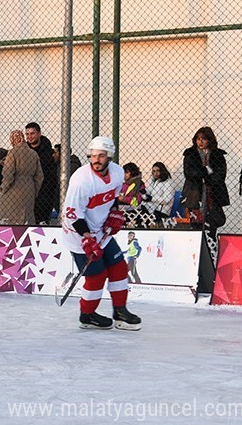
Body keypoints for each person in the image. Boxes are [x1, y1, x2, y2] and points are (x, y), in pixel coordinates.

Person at [61, 135, 141, 331]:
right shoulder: (81, 181)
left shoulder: (117, 173)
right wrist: (87, 238)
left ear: (110, 157)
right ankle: (87, 315)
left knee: (119, 268)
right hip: (77, 233)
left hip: (101, 231)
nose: (96, 160)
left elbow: (112, 198)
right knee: (96, 275)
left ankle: (120, 311)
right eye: (92, 155)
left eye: (101, 156)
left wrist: (115, 213)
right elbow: (72, 215)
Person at [182, 127, 229, 237]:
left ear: (210, 140)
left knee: (213, 223)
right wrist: (205, 171)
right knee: (196, 224)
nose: (200, 142)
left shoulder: (218, 155)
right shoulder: (190, 154)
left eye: (204, 139)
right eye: (198, 139)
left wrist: (207, 179)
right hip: (194, 192)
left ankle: (211, 247)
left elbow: (220, 174)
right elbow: (189, 173)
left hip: (212, 192)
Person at [0, 129, 43, 225]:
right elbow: (39, 176)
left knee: (10, 219)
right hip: (29, 189)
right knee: (26, 218)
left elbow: (8, 173)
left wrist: (3, 188)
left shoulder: (12, 153)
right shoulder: (33, 154)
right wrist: (34, 190)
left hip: (13, 190)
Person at [25, 122, 58, 224]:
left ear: (39, 133)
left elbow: (51, 175)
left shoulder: (49, 153)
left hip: (45, 193)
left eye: (32, 133)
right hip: (28, 193)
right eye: (27, 134)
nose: (29, 137)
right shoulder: (24, 152)